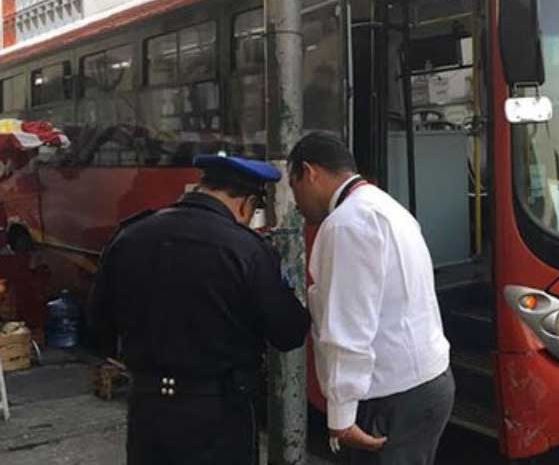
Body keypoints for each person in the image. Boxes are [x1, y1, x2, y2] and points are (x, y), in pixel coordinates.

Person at [90, 155, 311, 465]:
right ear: (247, 204)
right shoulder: (247, 249)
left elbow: (99, 329)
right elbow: (288, 333)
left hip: (148, 411)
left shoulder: (129, 236)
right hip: (218, 415)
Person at [288, 133, 454, 465]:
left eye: (294, 188)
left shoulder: (345, 224)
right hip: (428, 382)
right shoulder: (386, 207)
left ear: (309, 173)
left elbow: (346, 328)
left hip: (391, 395)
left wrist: (341, 415)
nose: (296, 202)